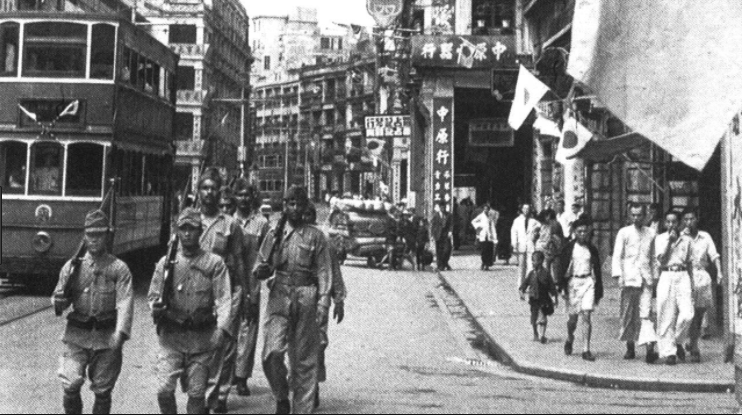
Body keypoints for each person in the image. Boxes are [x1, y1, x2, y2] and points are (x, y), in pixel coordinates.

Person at [254, 186, 332, 414]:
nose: (295, 209)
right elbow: (260, 265)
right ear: (284, 206)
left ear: (305, 205)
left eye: (299, 204)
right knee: (272, 353)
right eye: (290, 204)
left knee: (305, 361)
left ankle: (302, 409)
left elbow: (324, 271)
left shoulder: (316, 237)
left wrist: (324, 303)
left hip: (306, 296)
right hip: (279, 294)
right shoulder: (273, 234)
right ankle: (281, 394)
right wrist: (262, 270)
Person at [149, 208, 232, 415]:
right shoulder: (165, 264)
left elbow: (224, 299)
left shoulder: (214, 263)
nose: (187, 233)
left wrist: (221, 329)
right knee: (164, 389)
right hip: (171, 338)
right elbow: (153, 296)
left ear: (200, 231)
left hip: (201, 339)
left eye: (192, 229)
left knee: (197, 394)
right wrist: (155, 307)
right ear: (177, 231)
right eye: (183, 229)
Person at [52, 210, 134, 415]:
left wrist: (120, 333)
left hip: (107, 337)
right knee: (69, 384)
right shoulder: (72, 267)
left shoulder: (118, 268)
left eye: (99, 234)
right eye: (90, 234)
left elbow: (125, 301)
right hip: (76, 336)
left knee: (103, 391)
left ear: (107, 236)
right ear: (84, 236)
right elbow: (58, 295)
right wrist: (59, 301)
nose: (94, 239)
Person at [198, 169, 246, 414]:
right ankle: (202, 391)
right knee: (201, 346)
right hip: (197, 292)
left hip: (225, 291)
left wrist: (243, 294)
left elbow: (237, 261)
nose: (209, 193)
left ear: (220, 192)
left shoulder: (230, 225)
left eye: (213, 188)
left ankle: (219, 396)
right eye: (204, 188)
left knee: (224, 347)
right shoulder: (189, 221)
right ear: (198, 191)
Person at [304, 204, 346, 409]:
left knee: (318, 343)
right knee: (298, 345)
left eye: (310, 216)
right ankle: (302, 386)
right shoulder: (291, 239)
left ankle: (313, 385)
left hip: (320, 299)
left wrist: (339, 299)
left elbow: (334, 271)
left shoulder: (325, 243)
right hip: (297, 299)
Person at [232, 179, 270, 396]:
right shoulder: (228, 221)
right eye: (240, 195)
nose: (244, 199)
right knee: (229, 329)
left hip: (252, 283)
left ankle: (242, 377)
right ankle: (227, 373)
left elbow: (267, 252)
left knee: (248, 329)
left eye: (247, 195)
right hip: (230, 282)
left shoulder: (261, 223)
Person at [612, 204, 659, 363]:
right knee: (628, 314)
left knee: (646, 314)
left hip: (645, 279)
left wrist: (655, 277)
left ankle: (649, 349)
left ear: (645, 215)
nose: (636, 218)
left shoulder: (651, 233)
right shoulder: (624, 233)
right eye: (633, 215)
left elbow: (653, 257)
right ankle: (630, 345)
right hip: (629, 279)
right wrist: (619, 275)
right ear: (629, 216)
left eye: (639, 215)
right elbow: (617, 255)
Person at [652, 210, 694, 366]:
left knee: (687, 314)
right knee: (666, 315)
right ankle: (669, 352)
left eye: (674, 222)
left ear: (679, 223)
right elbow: (661, 261)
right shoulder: (660, 239)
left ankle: (677, 341)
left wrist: (692, 284)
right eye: (668, 222)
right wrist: (670, 242)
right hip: (667, 275)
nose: (671, 225)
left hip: (683, 276)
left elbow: (689, 263)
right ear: (664, 223)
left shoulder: (687, 240)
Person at [558, 219, 603, 362]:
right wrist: (562, 287)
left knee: (587, 315)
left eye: (585, 231)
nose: (583, 234)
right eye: (579, 231)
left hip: (588, 282)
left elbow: (597, 270)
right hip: (573, 283)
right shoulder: (568, 249)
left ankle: (586, 349)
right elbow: (562, 269)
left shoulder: (592, 249)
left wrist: (598, 289)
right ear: (574, 232)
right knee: (573, 319)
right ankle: (570, 337)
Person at [683, 208, 723, 363]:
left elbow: (714, 255)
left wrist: (719, 272)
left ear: (696, 219)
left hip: (702, 276)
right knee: (688, 313)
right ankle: (692, 343)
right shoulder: (681, 237)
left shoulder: (705, 236)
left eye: (691, 219)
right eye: (685, 219)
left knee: (699, 313)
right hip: (686, 276)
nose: (689, 222)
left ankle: (693, 342)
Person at [520, 251, 558, 344]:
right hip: (533, 300)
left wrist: (554, 297)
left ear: (541, 261)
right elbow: (524, 284)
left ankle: (542, 335)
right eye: (532, 261)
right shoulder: (531, 273)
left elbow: (552, 287)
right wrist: (522, 292)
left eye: (535, 261)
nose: (533, 263)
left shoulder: (546, 273)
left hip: (543, 299)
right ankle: (535, 333)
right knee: (534, 318)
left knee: (543, 318)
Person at [533, 209, 564, 283]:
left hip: (551, 251)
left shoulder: (552, 224)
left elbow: (553, 238)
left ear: (548, 216)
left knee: (550, 271)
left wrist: (546, 245)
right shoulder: (554, 223)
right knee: (554, 271)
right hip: (553, 251)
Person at [511, 204, 537, 289]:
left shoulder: (533, 221)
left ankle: (530, 285)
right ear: (522, 209)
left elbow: (540, 227)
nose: (526, 210)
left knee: (531, 266)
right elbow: (514, 232)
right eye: (524, 209)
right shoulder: (517, 220)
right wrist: (514, 244)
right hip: (521, 245)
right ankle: (521, 285)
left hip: (530, 245)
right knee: (521, 267)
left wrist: (535, 235)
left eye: (528, 209)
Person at [472, 204, 498, 270]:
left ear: (489, 210)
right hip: (483, 235)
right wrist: (479, 226)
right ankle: (483, 262)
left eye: (487, 209)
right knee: (484, 250)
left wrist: (495, 238)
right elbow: (473, 221)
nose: (486, 210)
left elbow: (493, 227)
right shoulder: (481, 216)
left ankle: (487, 265)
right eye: (485, 209)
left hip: (489, 236)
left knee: (489, 250)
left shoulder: (490, 217)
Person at [431, 200, 453, 271]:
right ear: (439, 207)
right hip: (438, 235)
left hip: (446, 235)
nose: (443, 208)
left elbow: (451, 224)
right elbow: (433, 226)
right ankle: (441, 265)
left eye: (444, 207)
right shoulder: (436, 215)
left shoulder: (448, 215)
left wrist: (450, 231)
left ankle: (445, 263)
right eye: (441, 207)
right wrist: (433, 235)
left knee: (447, 250)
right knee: (439, 251)